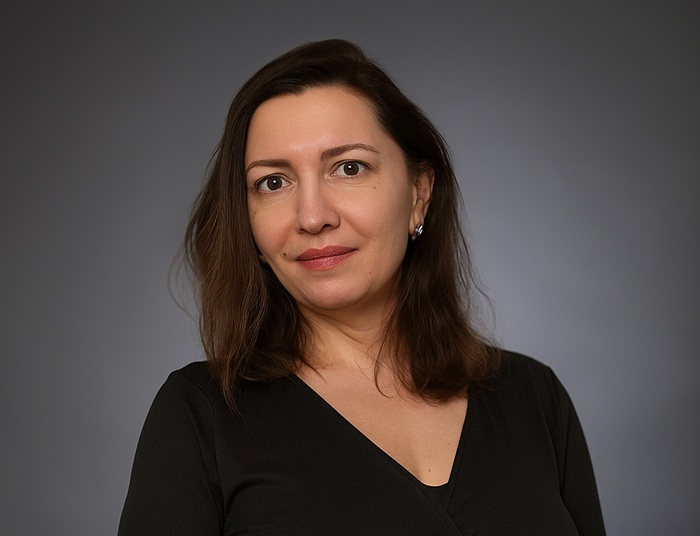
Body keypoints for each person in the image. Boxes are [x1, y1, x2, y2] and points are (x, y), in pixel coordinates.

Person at [118, 39, 606, 535]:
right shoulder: (201, 415)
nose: (312, 217)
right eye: (273, 182)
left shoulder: (535, 399)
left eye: (349, 168)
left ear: (419, 194)